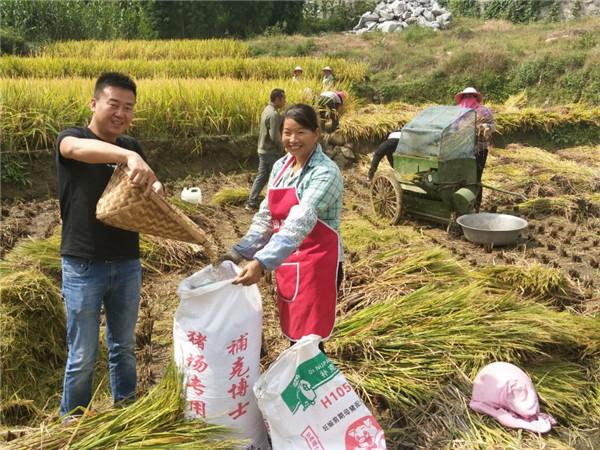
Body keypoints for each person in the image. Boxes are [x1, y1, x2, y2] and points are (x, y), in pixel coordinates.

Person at [56, 72, 163, 419]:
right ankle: (73, 422)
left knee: (124, 347)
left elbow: (150, 182)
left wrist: (156, 187)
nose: (121, 113)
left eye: (128, 108)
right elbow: (74, 150)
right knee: (83, 353)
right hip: (83, 263)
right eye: (113, 104)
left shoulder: (133, 147)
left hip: (126, 262)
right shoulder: (73, 138)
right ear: (94, 104)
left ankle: (125, 414)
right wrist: (125, 157)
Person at [218, 104, 343, 352]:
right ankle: (300, 385)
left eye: (300, 132)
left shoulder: (325, 172)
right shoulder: (281, 167)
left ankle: (314, 387)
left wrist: (262, 263)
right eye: (287, 132)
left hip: (317, 266)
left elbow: (300, 221)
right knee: (294, 336)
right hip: (287, 263)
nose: (292, 140)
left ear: (316, 133)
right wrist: (239, 252)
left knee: (310, 344)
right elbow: (266, 217)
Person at [455, 87, 495, 210]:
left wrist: (484, 127)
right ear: (462, 98)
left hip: (479, 151)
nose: (468, 99)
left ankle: (476, 206)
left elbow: (492, 127)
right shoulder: (457, 112)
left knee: (476, 178)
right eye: (466, 96)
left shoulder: (484, 111)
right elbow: (451, 128)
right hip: (460, 150)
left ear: (475, 97)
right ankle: (461, 204)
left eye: (470, 96)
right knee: (460, 178)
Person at [246, 88, 286, 211]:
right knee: (278, 177)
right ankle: (272, 204)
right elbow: (274, 135)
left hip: (262, 149)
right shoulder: (274, 114)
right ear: (278, 99)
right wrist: (283, 147)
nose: (285, 101)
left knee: (262, 176)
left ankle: (251, 202)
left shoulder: (266, 110)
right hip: (270, 151)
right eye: (284, 98)